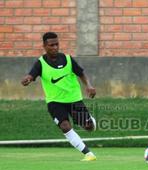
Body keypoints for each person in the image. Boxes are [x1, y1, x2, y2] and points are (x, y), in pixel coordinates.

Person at [21, 32, 97, 161]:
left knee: (88, 127)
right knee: (65, 126)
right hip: (54, 102)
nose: (55, 47)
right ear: (44, 46)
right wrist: (27, 79)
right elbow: (31, 75)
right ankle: (88, 154)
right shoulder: (40, 63)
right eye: (51, 45)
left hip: (74, 99)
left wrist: (88, 86)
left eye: (57, 44)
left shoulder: (67, 59)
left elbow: (81, 73)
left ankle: (91, 121)